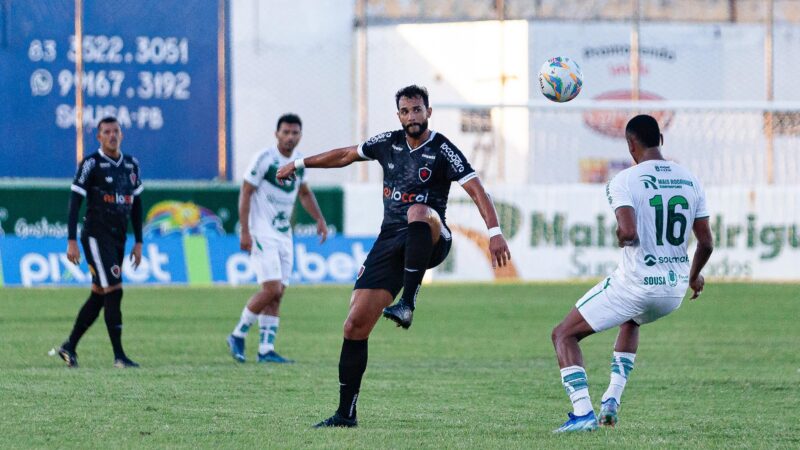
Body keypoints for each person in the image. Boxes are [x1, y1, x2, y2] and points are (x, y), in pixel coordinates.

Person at [276, 85, 511, 428]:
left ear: (428, 112)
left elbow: (476, 189)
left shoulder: (443, 149)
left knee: (418, 209)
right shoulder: (387, 142)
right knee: (354, 325)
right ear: (398, 115)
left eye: (418, 110)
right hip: (390, 241)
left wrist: (494, 232)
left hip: (432, 235)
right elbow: (345, 155)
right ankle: (346, 414)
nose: (412, 117)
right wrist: (299, 162)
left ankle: (408, 303)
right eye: (406, 111)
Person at [550, 114, 714, 432]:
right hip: (672, 291)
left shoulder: (625, 181)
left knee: (563, 334)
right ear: (661, 141)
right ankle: (612, 397)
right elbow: (706, 242)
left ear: (630, 144)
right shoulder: (691, 180)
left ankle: (583, 414)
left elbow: (627, 232)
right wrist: (693, 276)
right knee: (632, 318)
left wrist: (621, 236)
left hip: (636, 285)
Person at [227, 113, 328, 364]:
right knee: (270, 288)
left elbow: (304, 193)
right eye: (286, 132)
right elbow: (246, 191)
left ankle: (265, 350)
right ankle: (237, 334)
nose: (290, 137)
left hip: (284, 235)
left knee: (278, 293)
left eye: (295, 133)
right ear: (277, 134)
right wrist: (245, 230)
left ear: (300, 136)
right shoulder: (265, 159)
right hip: (262, 232)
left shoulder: (298, 163)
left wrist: (319, 218)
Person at [57, 116, 144, 368]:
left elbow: (137, 204)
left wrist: (139, 242)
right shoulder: (91, 164)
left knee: (99, 294)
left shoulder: (131, 165)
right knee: (114, 290)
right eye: (106, 132)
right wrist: (71, 240)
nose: (112, 135)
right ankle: (119, 356)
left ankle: (69, 346)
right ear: (99, 137)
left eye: (116, 131)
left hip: (118, 238)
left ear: (122, 134)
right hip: (95, 236)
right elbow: (75, 202)